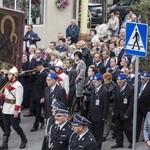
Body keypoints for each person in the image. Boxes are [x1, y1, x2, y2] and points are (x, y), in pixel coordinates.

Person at [0, 67, 27, 149]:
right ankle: (5, 143)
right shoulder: (8, 84)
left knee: (15, 126)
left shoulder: (19, 85)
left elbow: (19, 99)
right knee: (6, 126)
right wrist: (1, 96)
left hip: (13, 108)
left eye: (9, 74)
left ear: (14, 75)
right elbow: (5, 95)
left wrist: (16, 111)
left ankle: (24, 139)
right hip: (6, 107)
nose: (7, 76)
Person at [111, 73, 133, 149]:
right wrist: (113, 110)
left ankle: (131, 141)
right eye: (118, 80)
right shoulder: (117, 88)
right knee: (118, 128)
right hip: (117, 112)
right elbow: (115, 101)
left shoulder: (130, 89)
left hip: (125, 113)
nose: (118, 82)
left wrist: (127, 113)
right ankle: (119, 142)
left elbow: (131, 103)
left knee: (127, 129)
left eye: (120, 81)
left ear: (124, 81)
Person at [89, 73, 109, 149]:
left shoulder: (104, 91)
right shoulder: (94, 89)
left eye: (95, 82)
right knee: (92, 133)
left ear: (100, 81)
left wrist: (104, 117)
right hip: (92, 115)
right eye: (93, 82)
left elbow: (106, 105)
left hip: (99, 116)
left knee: (98, 134)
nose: (94, 84)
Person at [30, 61, 47, 132]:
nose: (36, 68)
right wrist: (33, 74)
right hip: (34, 94)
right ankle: (41, 119)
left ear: (41, 66)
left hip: (40, 95)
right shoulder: (36, 73)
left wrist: (43, 97)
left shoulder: (45, 74)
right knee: (32, 110)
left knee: (38, 111)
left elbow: (45, 87)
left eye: (37, 67)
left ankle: (35, 126)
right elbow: (31, 81)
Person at [136, 72, 150, 141]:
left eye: (143, 79)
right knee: (137, 124)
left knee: (147, 125)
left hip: (147, 108)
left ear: (148, 79)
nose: (141, 80)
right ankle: (135, 138)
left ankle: (147, 138)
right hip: (139, 108)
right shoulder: (139, 84)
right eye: (141, 78)